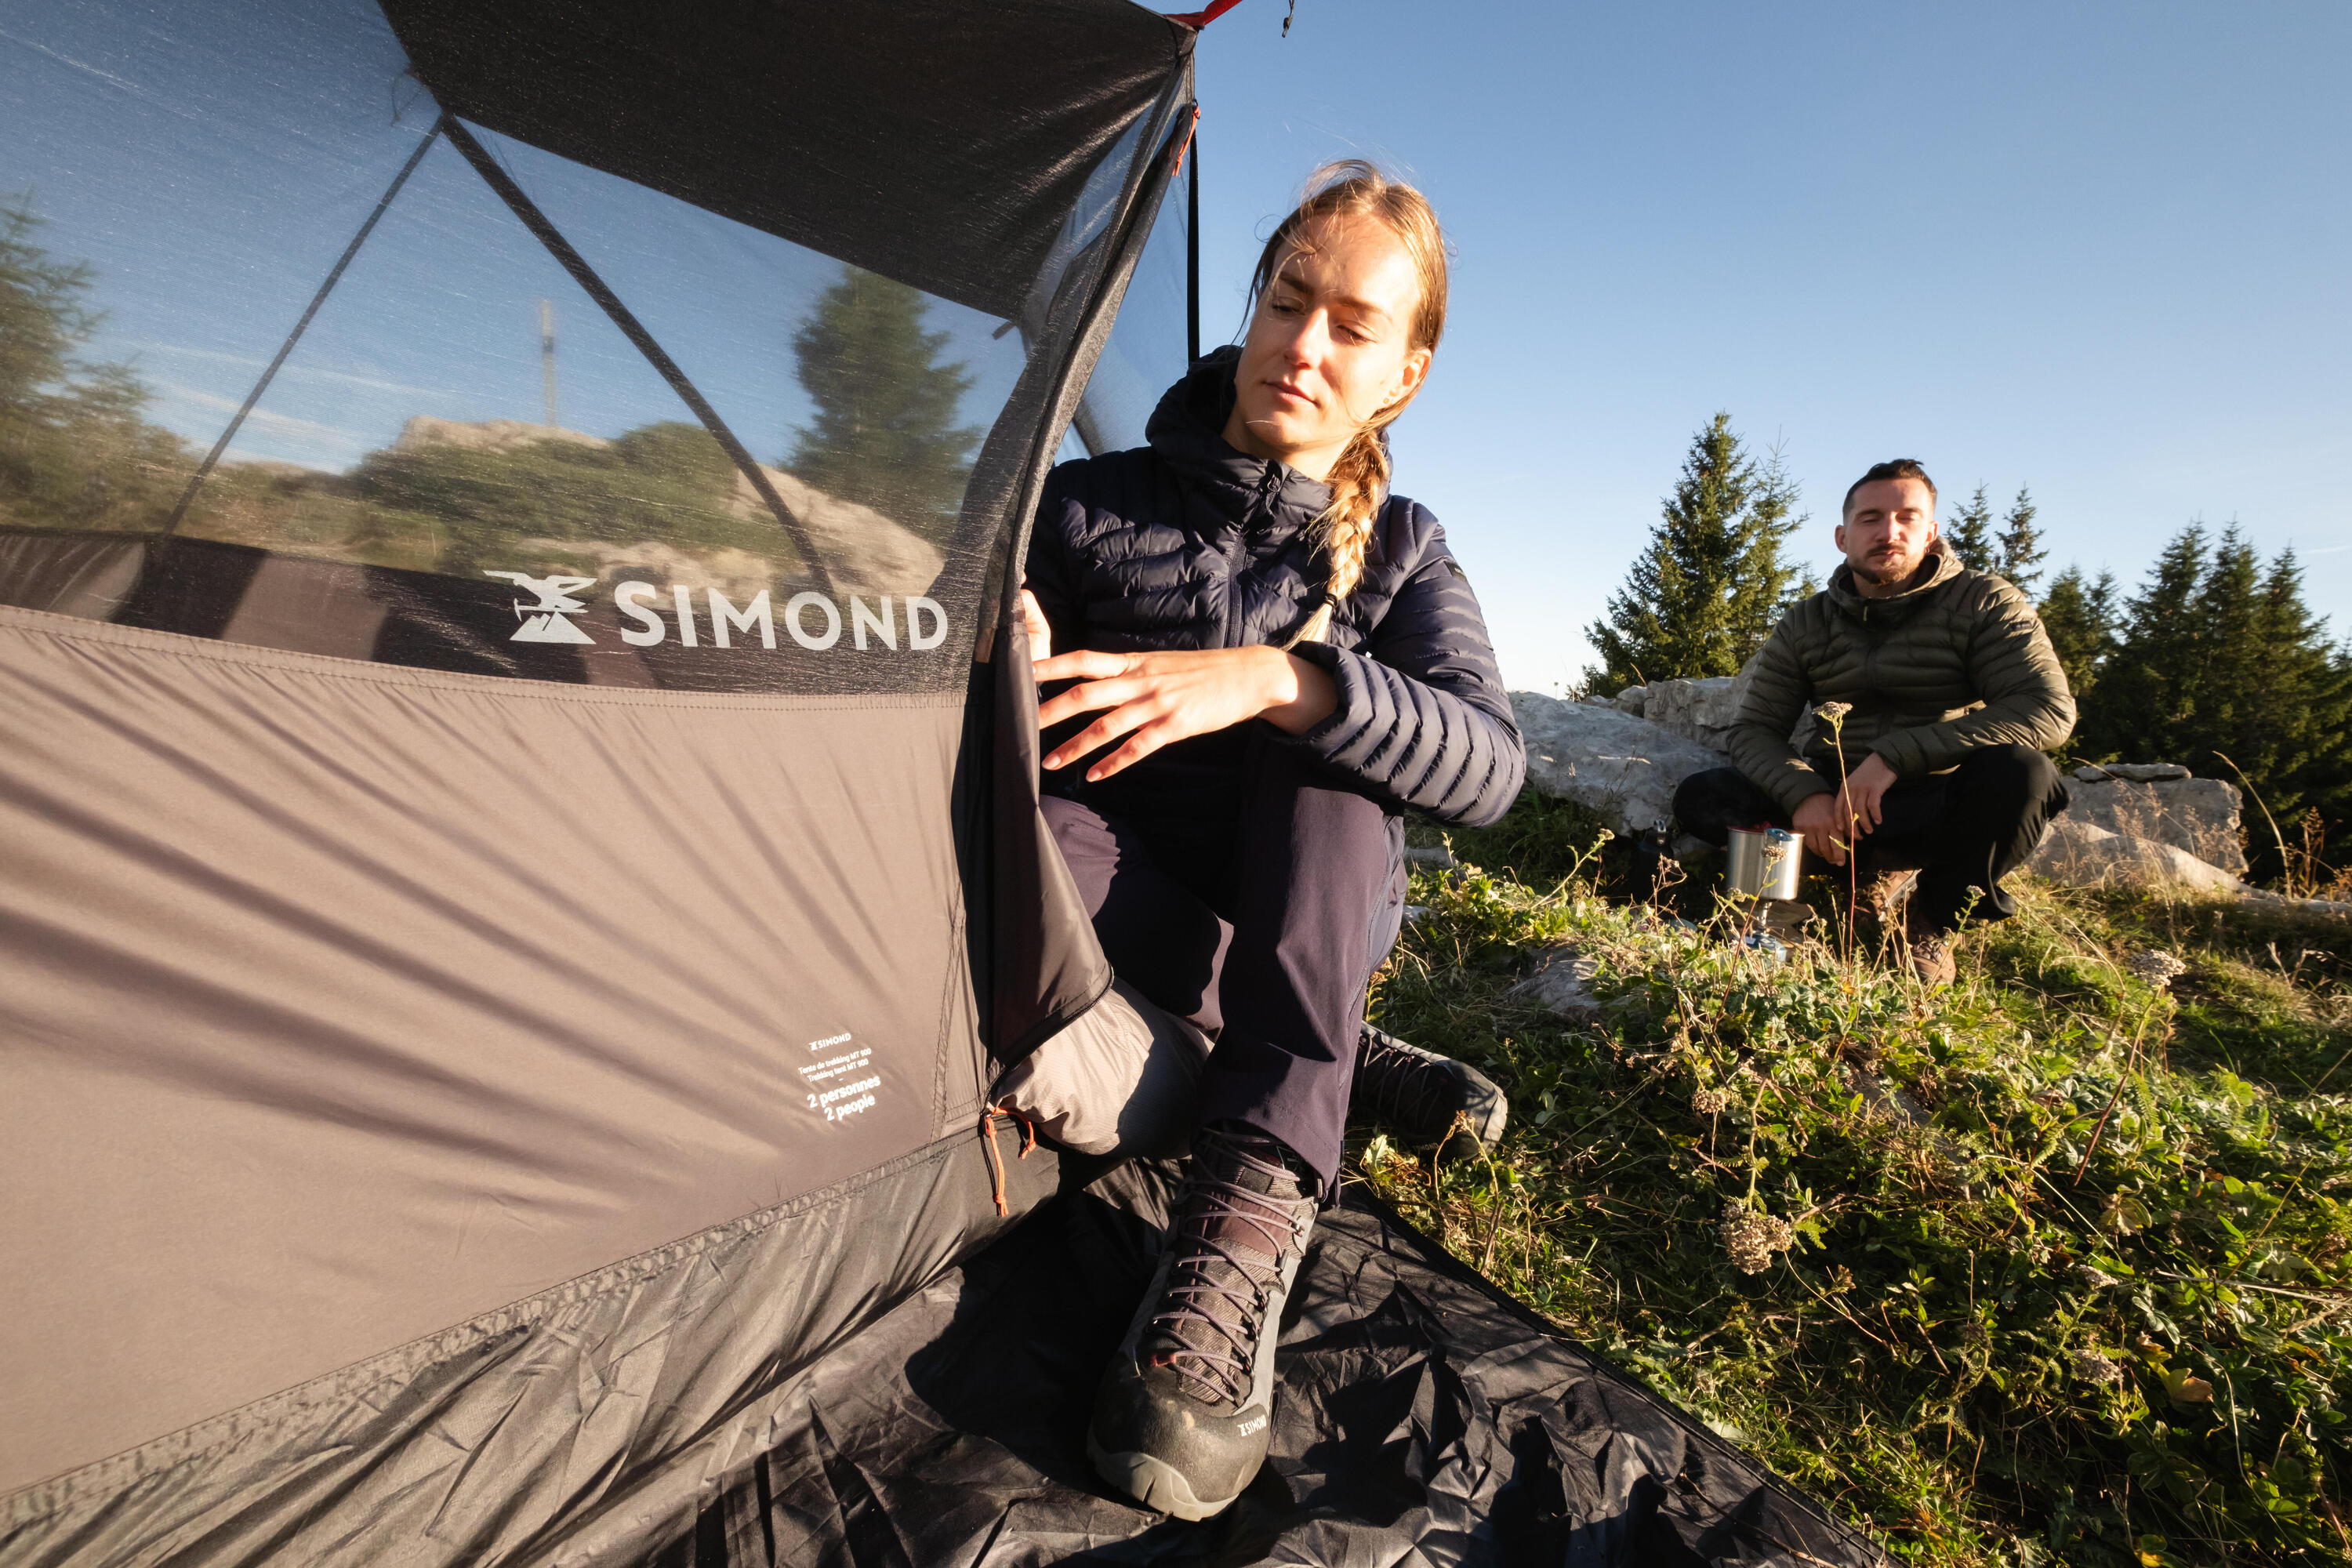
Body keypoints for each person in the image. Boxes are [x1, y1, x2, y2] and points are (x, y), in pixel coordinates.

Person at [1018, 162, 1523, 1519]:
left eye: (1352, 323)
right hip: (1121, 896)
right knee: (1015, 839)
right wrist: (1000, 646)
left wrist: (1279, 681)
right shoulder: (1086, 503)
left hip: (1302, 906)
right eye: (1287, 300)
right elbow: (1003, 702)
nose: (1303, 344)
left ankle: (1246, 1212)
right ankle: (1344, 1060)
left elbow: (1492, 764)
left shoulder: (1405, 552)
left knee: (1334, 771)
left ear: (1400, 374)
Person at [1671, 458, 2074, 985]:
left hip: (1929, 804)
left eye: (1907, 518)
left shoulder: (1984, 601)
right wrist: (1805, 795)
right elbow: (1755, 730)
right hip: (1829, 806)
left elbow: (2045, 708)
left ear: (1930, 532)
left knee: (2024, 776)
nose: (1889, 532)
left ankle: (1931, 916)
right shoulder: (1807, 621)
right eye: (1870, 519)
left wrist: (1895, 757)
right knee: (1705, 795)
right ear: (1842, 537)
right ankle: (1780, 908)